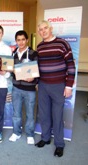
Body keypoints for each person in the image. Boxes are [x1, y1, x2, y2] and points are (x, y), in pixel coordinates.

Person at [35, 20, 75, 157]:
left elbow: (71, 66)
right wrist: (36, 81)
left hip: (59, 86)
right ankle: (45, 138)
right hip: (43, 85)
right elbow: (37, 68)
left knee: (57, 116)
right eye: (40, 29)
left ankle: (59, 144)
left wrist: (69, 86)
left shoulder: (62, 44)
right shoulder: (39, 47)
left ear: (51, 28)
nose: (43, 31)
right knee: (44, 114)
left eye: (45, 28)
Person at [9, 30, 38, 144]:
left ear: (27, 40)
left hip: (29, 89)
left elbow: (37, 71)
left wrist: (33, 78)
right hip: (16, 88)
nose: (21, 42)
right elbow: (12, 72)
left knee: (30, 113)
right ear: (16, 41)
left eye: (23, 40)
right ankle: (16, 132)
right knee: (16, 113)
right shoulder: (14, 54)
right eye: (18, 40)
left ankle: (30, 134)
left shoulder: (33, 54)